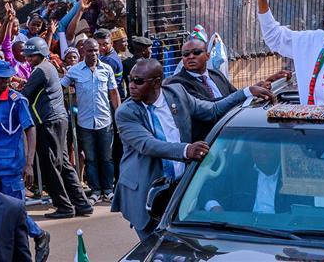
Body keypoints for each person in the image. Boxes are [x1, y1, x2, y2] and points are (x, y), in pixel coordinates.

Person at [112, 58, 272, 240]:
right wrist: (186, 150)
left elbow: (212, 110)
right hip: (146, 192)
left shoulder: (177, 93)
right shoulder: (126, 112)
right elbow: (147, 144)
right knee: (154, 247)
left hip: (181, 190)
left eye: (138, 81)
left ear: (156, 82)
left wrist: (246, 92)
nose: (131, 85)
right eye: (130, 79)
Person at [0, 59, 50, 262]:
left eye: (7, 79)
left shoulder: (17, 101)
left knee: (15, 208)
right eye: (1, 79)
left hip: (11, 166)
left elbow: (30, 129)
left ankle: (38, 235)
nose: (6, 82)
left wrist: (29, 163)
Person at [19, 36, 92, 219]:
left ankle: (64, 206)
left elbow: (25, 95)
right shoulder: (47, 67)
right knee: (64, 164)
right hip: (57, 120)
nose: (28, 59)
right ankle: (82, 204)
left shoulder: (41, 70)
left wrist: (11, 92)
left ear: (41, 54)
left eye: (32, 55)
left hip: (49, 122)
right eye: (27, 55)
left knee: (50, 165)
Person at [60, 38, 120, 203]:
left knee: (106, 157)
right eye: (89, 51)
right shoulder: (75, 71)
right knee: (91, 158)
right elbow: (60, 86)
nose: (93, 53)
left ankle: (108, 190)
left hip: (105, 120)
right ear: (82, 52)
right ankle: (95, 191)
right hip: (85, 122)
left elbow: (114, 93)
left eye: (95, 50)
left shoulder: (106, 69)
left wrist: (119, 115)